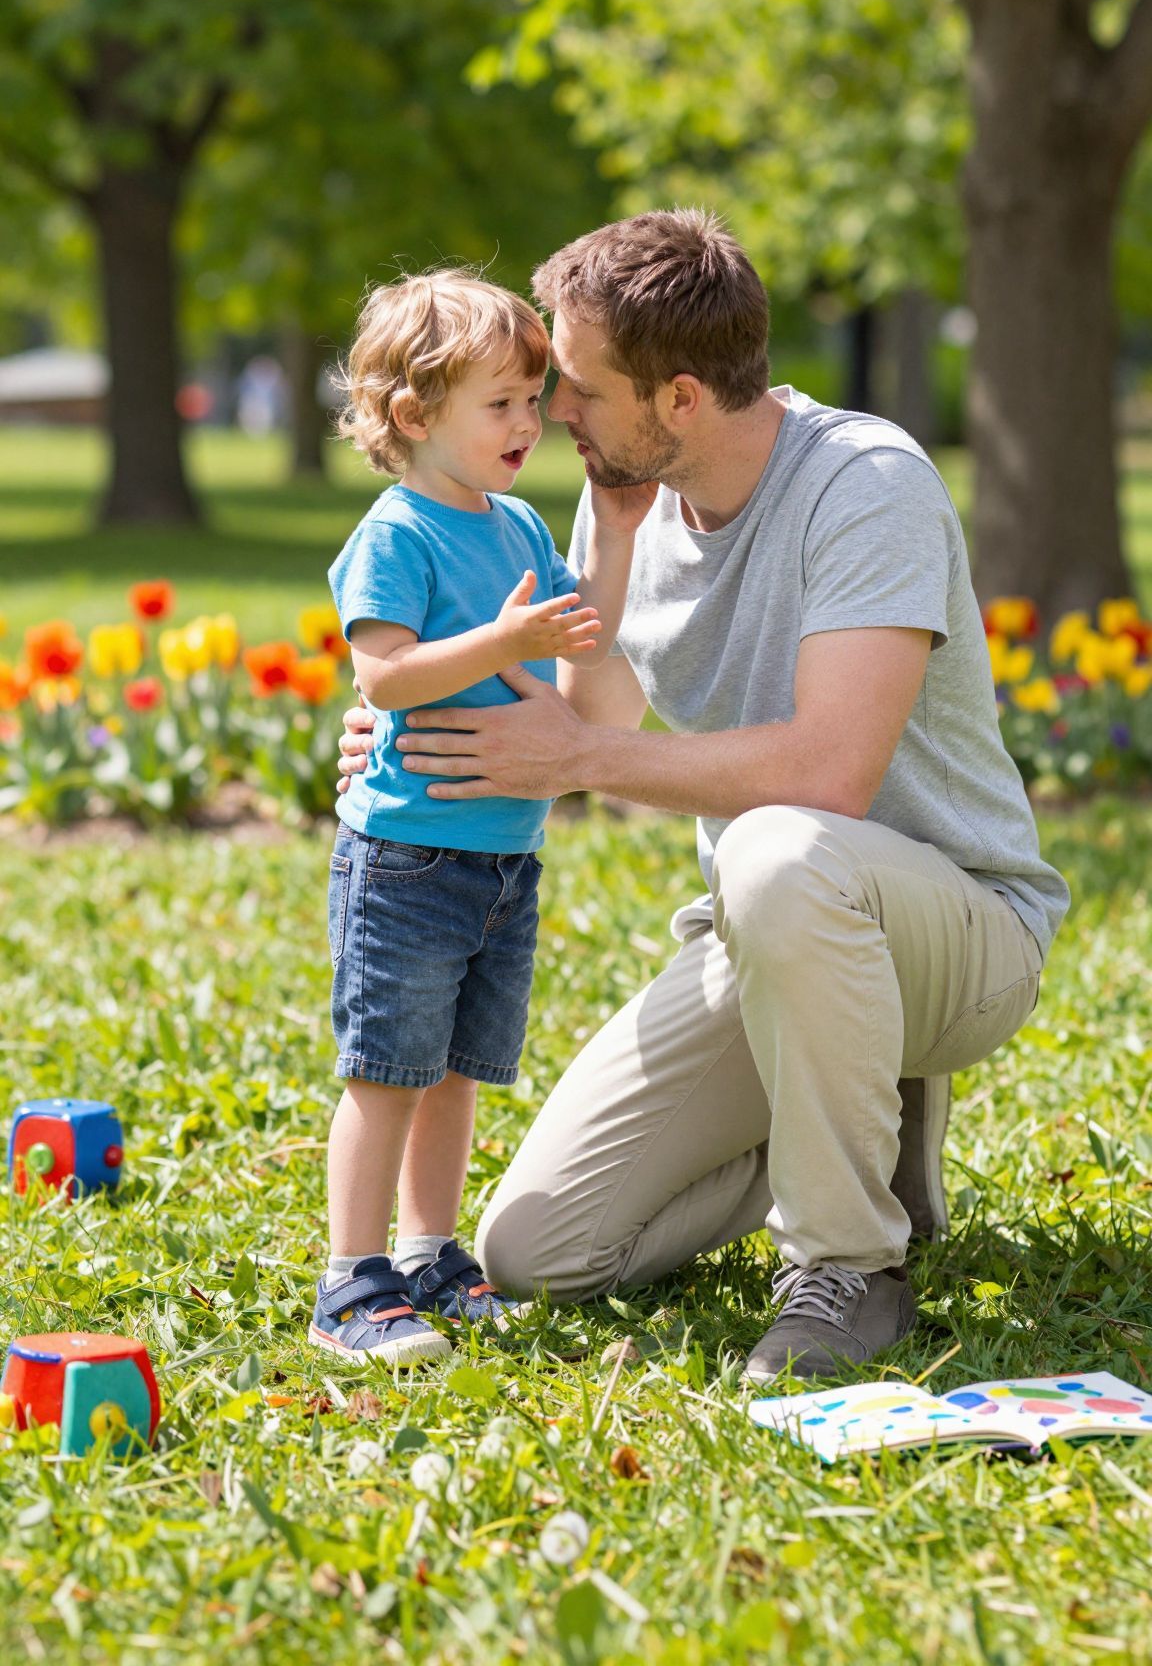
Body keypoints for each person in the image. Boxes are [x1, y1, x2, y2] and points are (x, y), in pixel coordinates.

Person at [337, 212, 1070, 1383]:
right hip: (767, 933)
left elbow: (830, 772)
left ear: (678, 397)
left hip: (955, 926)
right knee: (539, 1247)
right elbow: (591, 718)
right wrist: (411, 728)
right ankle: (853, 1121)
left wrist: (569, 758)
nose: (550, 411)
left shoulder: (866, 484)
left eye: (573, 386)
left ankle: (846, 1264)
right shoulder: (620, 496)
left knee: (779, 851)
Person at [313, 270, 647, 1368]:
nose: (529, 421)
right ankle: (352, 1283)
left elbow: (580, 632)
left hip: (504, 857)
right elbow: (387, 677)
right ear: (416, 416)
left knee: (457, 1070)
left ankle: (431, 1255)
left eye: (533, 395)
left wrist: (615, 532)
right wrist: (506, 646)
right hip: (409, 854)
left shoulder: (513, 523)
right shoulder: (396, 532)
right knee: (385, 1072)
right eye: (500, 401)